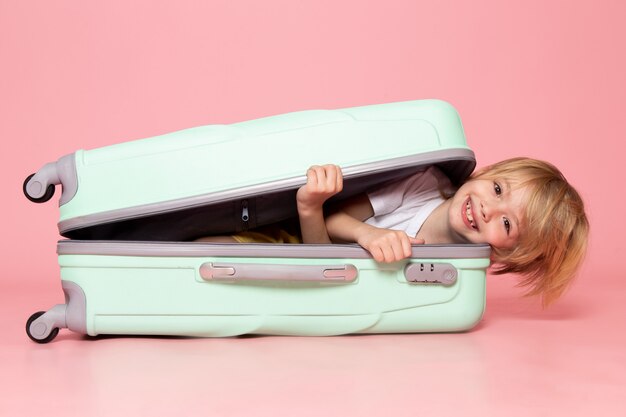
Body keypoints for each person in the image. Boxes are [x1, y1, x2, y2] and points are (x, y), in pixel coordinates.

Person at [198, 158, 589, 306]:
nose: (489, 208)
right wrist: (369, 237)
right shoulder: (423, 185)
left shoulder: (456, 278)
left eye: (507, 224)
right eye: (498, 189)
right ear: (484, 173)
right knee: (201, 253)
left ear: (508, 255)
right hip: (296, 239)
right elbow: (334, 221)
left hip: (327, 291)